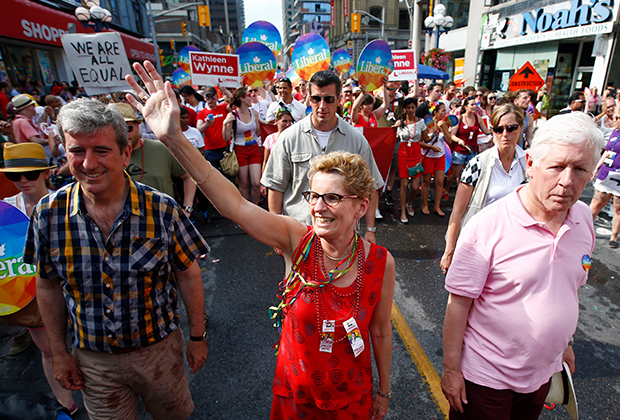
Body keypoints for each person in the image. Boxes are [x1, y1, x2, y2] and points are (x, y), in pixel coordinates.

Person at [125, 61, 395, 420]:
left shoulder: (380, 262)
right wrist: (174, 138)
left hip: (351, 402)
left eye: (332, 198)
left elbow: (380, 332)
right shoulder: (296, 239)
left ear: (361, 206)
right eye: (313, 196)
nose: (317, 207)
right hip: (295, 399)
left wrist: (384, 391)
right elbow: (234, 203)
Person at [23, 98, 209, 420]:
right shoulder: (47, 215)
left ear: (125, 153)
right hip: (93, 362)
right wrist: (59, 353)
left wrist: (197, 337)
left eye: (101, 150)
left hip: (160, 354)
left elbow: (188, 275)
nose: (88, 163)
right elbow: (48, 285)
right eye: (77, 151)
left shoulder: (162, 209)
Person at [441, 111, 604, 419]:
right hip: (485, 379)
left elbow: (571, 289)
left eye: (580, 169)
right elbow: (458, 303)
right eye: (556, 166)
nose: (567, 181)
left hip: (542, 375)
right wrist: (451, 370)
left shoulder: (584, 219)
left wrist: (564, 345)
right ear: (531, 164)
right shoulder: (487, 225)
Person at [0, 142, 78, 416]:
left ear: (46, 172)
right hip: (32, 296)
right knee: (50, 350)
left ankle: (100, 393)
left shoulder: (68, 201)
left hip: (75, 289)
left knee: (86, 347)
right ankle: (65, 403)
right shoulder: (5, 213)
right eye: (14, 176)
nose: (22, 181)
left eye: (30, 174)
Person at [261, 70, 384, 242]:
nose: (322, 106)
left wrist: (370, 229)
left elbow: (371, 187)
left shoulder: (356, 140)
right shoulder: (289, 138)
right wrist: (275, 233)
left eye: (329, 99)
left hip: (343, 235)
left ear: (339, 99)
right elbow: (275, 186)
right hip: (299, 232)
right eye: (316, 99)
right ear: (309, 98)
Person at [440, 104, 527, 272]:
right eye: (498, 129)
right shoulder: (478, 164)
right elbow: (457, 212)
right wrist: (449, 252)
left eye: (511, 128)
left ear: (521, 127)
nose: (505, 135)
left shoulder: (529, 164)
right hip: (479, 245)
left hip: (514, 247)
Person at [112, 103, 197, 219]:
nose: (124, 136)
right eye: (117, 131)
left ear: (138, 126)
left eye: (128, 129)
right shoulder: (105, 156)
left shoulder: (161, 148)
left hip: (165, 222)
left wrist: (187, 208)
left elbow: (189, 176)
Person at [443, 96, 491, 196]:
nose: (474, 107)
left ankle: (463, 194)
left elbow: (486, 131)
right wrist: (459, 140)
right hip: (459, 151)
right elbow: (452, 135)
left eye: (475, 104)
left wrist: (496, 129)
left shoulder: (478, 118)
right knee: (455, 174)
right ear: (466, 106)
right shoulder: (460, 118)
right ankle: (446, 189)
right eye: (472, 104)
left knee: (469, 174)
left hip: (472, 151)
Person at [223, 87, 263, 204]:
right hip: (240, 149)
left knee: (256, 183)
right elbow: (226, 138)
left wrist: (263, 123)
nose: (252, 97)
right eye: (248, 95)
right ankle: (247, 209)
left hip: (254, 148)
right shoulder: (233, 115)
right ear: (242, 99)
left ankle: (256, 209)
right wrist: (225, 124)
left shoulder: (254, 113)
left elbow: (259, 133)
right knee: (244, 183)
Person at [395, 97, 431, 223]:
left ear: (416, 108)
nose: (411, 110)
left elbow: (426, 139)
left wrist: (433, 134)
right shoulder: (401, 122)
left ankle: (409, 203)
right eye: (408, 107)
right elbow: (394, 138)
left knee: (415, 187)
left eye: (413, 107)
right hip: (403, 153)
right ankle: (403, 212)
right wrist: (395, 127)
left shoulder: (421, 122)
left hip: (416, 153)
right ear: (404, 109)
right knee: (404, 184)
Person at [589, 115, 620, 248]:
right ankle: (584, 229)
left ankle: (614, 236)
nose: (615, 118)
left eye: (618, 116)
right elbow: (607, 151)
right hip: (606, 172)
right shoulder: (615, 131)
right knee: (596, 203)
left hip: (618, 177)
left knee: (618, 208)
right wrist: (596, 168)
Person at [421, 102, 453, 217]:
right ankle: (425, 205)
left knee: (440, 182)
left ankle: (437, 206)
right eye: (443, 110)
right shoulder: (427, 124)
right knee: (426, 181)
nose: (445, 113)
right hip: (428, 156)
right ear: (436, 112)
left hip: (440, 157)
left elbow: (449, 141)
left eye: (445, 110)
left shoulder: (444, 124)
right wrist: (431, 144)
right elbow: (420, 141)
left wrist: (443, 128)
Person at [196, 85, 232, 171]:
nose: (210, 100)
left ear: (216, 97)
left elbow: (235, 102)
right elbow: (198, 130)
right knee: (213, 174)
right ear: (204, 98)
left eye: (212, 96)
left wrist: (225, 90)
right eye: (208, 97)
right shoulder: (201, 113)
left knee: (228, 173)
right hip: (210, 150)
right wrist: (206, 124)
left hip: (225, 147)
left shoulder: (223, 107)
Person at [261, 108, 294, 198]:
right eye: (284, 121)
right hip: (274, 180)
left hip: (289, 179)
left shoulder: (293, 139)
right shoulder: (269, 139)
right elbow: (265, 161)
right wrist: (263, 184)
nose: (288, 124)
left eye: (290, 121)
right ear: (276, 121)